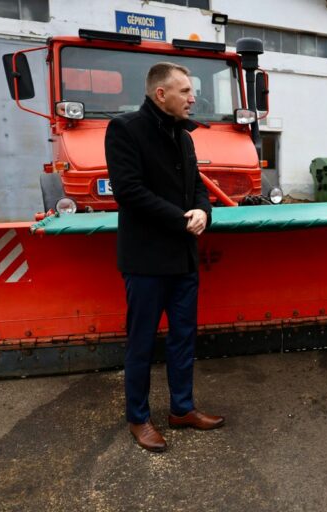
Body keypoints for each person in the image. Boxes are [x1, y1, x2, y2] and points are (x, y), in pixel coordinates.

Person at [105, 62, 224, 453]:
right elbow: (129, 192)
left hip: (184, 261)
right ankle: (138, 418)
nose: (193, 98)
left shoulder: (185, 137)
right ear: (161, 94)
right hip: (146, 262)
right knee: (141, 343)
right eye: (186, 91)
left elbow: (197, 189)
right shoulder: (125, 130)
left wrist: (204, 211)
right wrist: (181, 220)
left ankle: (181, 409)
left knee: (183, 340)